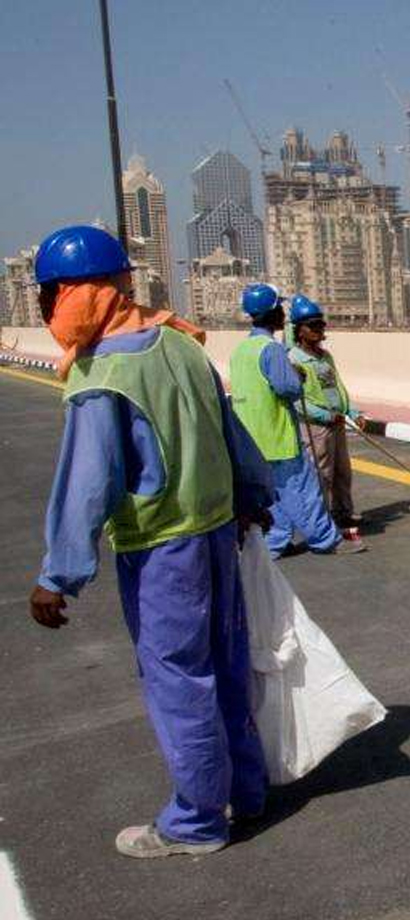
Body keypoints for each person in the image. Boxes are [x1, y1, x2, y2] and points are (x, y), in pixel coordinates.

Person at [25, 224, 278, 858]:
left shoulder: (101, 375)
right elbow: (232, 434)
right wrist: (253, 497)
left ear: (78, 294)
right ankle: (246, 791)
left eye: (52, 295)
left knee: (179, 678)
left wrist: (58, 574)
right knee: (226, 666)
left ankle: (197, 822)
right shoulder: (181, 344)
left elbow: (87, 485)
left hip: (162, 546)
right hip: (216, 532)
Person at [228, 283, 354, 556]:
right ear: (272, 313)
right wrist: (296, 375)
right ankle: (326, 540)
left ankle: (276, 543)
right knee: (304, 491)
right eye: (280, 309)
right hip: (278, 435)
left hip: (251, 438)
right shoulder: (271, 350)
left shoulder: (241, 351)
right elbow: (289, 389)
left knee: (271, 495)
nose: (283, 314)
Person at [287, 294, 366, 548]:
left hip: (337, 421)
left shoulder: (325, 357)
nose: (319, 330)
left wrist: (352, 411)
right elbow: (296, 400)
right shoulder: (294, 360)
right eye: (313, 326)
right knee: (322, 474)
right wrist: (324, 415)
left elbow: (338, 388)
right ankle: (322, 520)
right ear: (300, 330)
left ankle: (344, 512)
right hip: (316, 426)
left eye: (321, 325)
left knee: (342, 471)